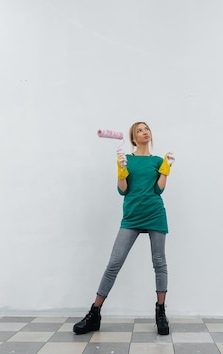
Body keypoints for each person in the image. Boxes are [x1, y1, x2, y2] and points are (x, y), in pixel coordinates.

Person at [73, 121, 175, 336]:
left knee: (159, 263)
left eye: (146, 128)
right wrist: (121, 170)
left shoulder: (157, 161)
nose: (144, 132)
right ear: (133, 138)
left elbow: (159, 189)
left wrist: (166, 168)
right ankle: (94, 312)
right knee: (114, 263)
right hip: (131, 216)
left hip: (155, 214)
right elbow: (123, 191)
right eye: (139, 130)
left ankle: (160, 312)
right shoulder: (126, 159)